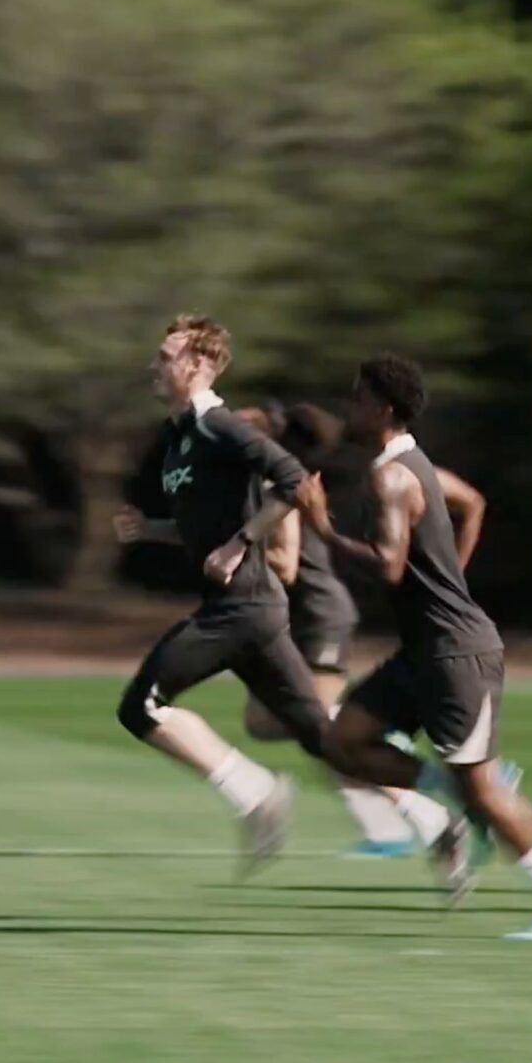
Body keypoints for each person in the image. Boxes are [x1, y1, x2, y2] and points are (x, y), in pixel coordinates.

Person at [292, 354, 532, 940]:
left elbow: (388, 568)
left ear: (384, 409)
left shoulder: (392, 476)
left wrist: (321, 527)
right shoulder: (418, 466)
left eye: (359, 399)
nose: (349, 407)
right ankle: (455, 798)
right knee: (344, 740)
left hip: (455, 655)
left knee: (485, 790)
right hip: (424, 650)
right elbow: (474, 503)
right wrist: (450, 580)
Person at [110, 314, 336, 877]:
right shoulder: (181, 437)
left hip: (242, 607)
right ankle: (436, 813)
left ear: (198, 366)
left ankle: (255, 793)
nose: (154, 366)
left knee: (142, 706)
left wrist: (241, 543)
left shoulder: (219, 426)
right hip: (248, 610)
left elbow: (292, 479)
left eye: (165, 357)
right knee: (321, 735)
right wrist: (153, 530)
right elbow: (200, 524)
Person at [235, 401, 456, 859]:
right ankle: (390, 820)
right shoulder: (249, 484)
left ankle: (426, 806)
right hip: (297, 620)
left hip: (319, 615)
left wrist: (230, 552)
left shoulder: (276, 482)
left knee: (324, 732)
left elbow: (286, 563)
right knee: (264, 721)